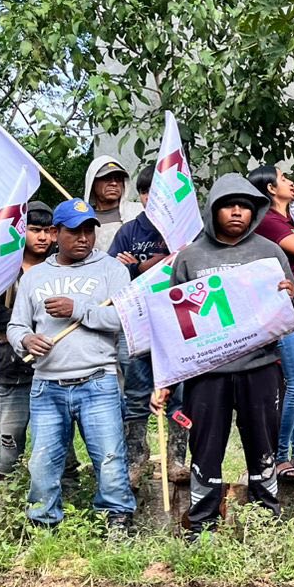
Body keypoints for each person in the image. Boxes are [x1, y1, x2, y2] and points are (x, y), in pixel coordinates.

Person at [156, 175, 294, 536]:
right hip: (206, 373)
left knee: (263, 445)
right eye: (228, 205)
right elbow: (176, 323)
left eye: (245, 206)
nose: (237, 212)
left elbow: (290, 310)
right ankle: (201, 526)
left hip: (260, 367)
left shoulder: (271, 252)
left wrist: (290, 296)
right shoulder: (190, 257)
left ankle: (266, 525)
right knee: (205, 447)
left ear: (255, 211)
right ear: (212, 210)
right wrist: (167, 379)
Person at [6, 198, 135, 531]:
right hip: (47, 385)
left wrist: (77, 309)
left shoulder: (112, 270)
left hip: (99, 381)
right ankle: (43, 524)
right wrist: (26, 340)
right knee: (43, 463)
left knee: (109, 459)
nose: (83, 238)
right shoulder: (35, 277)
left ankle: (117, 522)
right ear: (55, 232)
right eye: (75, 231)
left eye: (89, 231)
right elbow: (16, 325)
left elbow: (124, 318)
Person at [0, 201, 79, 489]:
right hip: (13, 369)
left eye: (48, 231)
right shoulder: (3, 269)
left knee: (61, 443)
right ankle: (1, 501)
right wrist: (29, 330)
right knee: (9, 442)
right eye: (35, 230)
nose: (43, 237)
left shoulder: (64, 268)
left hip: (56, 367)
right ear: (22, 232)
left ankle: (69, 498)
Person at [247, 163, 294, 482]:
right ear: (270, 188)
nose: (292, 182)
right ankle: (280, 457)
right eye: (283, 178)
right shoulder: (269, 221)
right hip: (287, 311)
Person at [108, 165, 175, 487]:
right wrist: (140, 267)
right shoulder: (129, 232)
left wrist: (141, 265)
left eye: (159, 192)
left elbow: (191, 267)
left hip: (176, 324)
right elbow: (114, 275)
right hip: (135, 323)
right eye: (146, 192)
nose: (152, 198)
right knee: (135, 393)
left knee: (179, 393)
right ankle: (136, 459)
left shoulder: (184, 231)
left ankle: (176, 459)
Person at [83, 155, 142, 253]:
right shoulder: (82, 219)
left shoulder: (139, 212)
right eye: (106, 178)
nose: (114, 183)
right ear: (93, 183)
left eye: (118, 179)